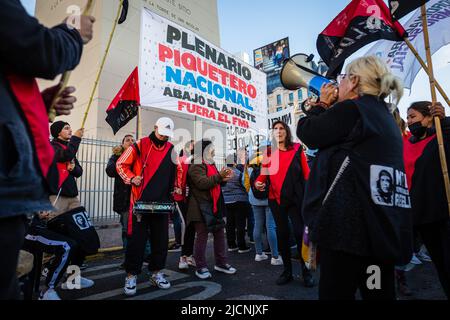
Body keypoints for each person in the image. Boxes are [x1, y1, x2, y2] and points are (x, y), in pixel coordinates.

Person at [297, 56, 412, 300]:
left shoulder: (353, 108)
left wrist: (321, 104)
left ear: (354, 81)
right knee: (377, 292)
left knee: (335, 294)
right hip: (378, 232)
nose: (338, 85)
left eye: (342, 79)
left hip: (346, 236)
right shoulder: (383, 115)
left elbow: (308, 131)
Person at [0, 0, 94, 299]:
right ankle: (51, 285)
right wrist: (72, 33)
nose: (69, 130)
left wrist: (38, 104)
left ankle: (70, 279)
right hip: (42, 200)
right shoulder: (59, 145)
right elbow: (38, 49)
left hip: (58, 197)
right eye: (65, 128)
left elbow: (74, 167)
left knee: (79, 242)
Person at [116, 117, 179, 295]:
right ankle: (131, 275)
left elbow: (176, 172)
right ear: (154, 127)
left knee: (161, 242)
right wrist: (131, 178)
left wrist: (176, 188)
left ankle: (156, 272)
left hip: (163, 204)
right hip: (140, 204)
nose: (165, 137)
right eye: (162, 133)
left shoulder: (172, 148)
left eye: (168, 135)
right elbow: (121, 164)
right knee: (136, 242)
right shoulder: (139, 144)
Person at [255, 121, 314, 287]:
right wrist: (257, 184)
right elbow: (262, 177)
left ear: (286, 132)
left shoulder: (296, 149)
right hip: (276, 199)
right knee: (282, 235)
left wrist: (312, 195)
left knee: (299, 233)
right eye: (275, 129)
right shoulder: (268, 152)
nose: (278, 131)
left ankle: (306, 271)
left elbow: (307, 173)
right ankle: (287, 271)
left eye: (281, 128)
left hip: (296, 198)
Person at [404, 101, 450, 299]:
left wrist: (445, 121)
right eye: (407, 118)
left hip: (443, 212)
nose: (409, 122)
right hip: (420, 214)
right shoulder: (406, 142)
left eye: (413, 117)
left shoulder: (440, 138)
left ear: (429, 117)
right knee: (441, 266)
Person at [187, 139, 237, 279]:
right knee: (202, 237)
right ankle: (200, 267)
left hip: (213, 205)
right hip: (200, 206)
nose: (214, 150)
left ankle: (221, 263)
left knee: (220, 234)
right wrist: (220, 176)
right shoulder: (196, 164)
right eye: (211, 148)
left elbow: (215, 183)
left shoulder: (211, 164)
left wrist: (223, 179)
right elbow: (202, 183)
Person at [23, 212, 94, 300]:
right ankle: (47, 291)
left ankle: (72, 278)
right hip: (27, 230)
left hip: (42, 225)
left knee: (80, 239)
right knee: (67, 246)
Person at [106, 135, 152, 268]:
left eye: (133, 140)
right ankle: (129, 259)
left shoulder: (141, 157)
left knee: (145, 229)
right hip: (125, 202)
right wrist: (125, 161)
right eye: (127, 140)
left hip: (141, 200)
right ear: (122, 144)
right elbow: (110, 170)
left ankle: (147, 256)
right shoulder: (116, 157)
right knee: (127, 230)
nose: (131, 142)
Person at [248, 149, 282, 265]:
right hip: (269, 200)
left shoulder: (252, 170)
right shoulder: (271, 169)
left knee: (257, 225)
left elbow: (245, 182)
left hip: (255, 200)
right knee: (270, 227)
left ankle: (259, 254)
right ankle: (275, 256)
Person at [49, 122, 84, 217]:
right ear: (58, 132)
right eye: (66, 128)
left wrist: (73, 169)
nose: (71, 130)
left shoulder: (69, 148)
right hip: (58, 196)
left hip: (72, 196)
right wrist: (76, 138)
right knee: (57, 227)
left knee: (78, 227)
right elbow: (65, 155)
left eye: (70, 128)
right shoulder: (52, 146)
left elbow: (79, 172)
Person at [174, 140, 197, 270]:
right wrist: (176, 188)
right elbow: (175, 176)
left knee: (191, 226)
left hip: (192, 199)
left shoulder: (196, 160)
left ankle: (189, 255)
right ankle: (183, 256)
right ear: (187, 147)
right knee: (185, 225)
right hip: (181, 198)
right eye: (193, 145)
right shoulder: (181, 159)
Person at [222, 154, 252, 253]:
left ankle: (231, 244)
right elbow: (245, 185)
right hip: (240, 200)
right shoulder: (239, 173)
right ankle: (241, 245)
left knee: (229, 224)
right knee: (240, 224)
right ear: (234, 163)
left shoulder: (221, 173)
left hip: (227, 201)